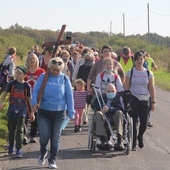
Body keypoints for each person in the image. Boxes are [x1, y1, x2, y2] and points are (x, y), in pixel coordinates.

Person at [31, 57, 75, 169]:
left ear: (61, 69)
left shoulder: (65, 79)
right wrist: (34, 102)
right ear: (50, 68)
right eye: (53, 70)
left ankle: (52, 159)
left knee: (56, 137)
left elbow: (69, 96)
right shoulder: (43, 77)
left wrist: (71, 111)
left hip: (59, 113)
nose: (55, 72)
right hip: (44, 111)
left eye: (58, 70)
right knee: (44, 136)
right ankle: (42, 152)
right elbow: (35, 90)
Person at [124, 51, 156, 151]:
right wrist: (127, 99)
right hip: (134, 99)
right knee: (133, 122)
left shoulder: (148, 73)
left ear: (143, 60)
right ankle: (133, 142)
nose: (139, 61)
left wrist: (153, 102)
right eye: (137, 59)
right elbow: (126, 87)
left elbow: (151, 88)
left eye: (141, 59)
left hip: (145, 99)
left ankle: (140, 136)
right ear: (134, 61)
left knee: (144, 122)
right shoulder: (130, 72)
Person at [0, 66, 31, 158]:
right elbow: (5, 93)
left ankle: (18, 149)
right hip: (12, 109)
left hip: (22, 109)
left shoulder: (27, 86)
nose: (17, 75)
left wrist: (32, 111)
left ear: (25, 75)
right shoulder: (11, 84)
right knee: (11, 129)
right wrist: (1, 103)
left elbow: (29, 99)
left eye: (19, 73)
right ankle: (10, 147)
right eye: (16, 73)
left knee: (20, 130)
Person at [91, 83, 125, 151]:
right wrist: (100, 109)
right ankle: (103, 139)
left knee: (119, 112)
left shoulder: (118, 98)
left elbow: (121, 108)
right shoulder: (101, 97)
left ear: (116, 91)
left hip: (115, 117)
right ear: (105, 91)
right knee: (98, 113)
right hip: (104, 118)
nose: (111, 93)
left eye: (112, 91)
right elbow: (93, 106)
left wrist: (109, 109)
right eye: (108, 91)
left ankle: (119, 139)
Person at [25, 53, 45, 143]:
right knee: (25, 115)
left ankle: (32, 135)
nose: (32, 60)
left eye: (34, 59)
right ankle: (24, 135)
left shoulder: (41, 71)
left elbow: (44, 83)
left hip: (37, 96)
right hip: (26, 96)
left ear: (37, 60)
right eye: (30, 59)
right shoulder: (25, 71)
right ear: (28, 61)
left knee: (35, 116)